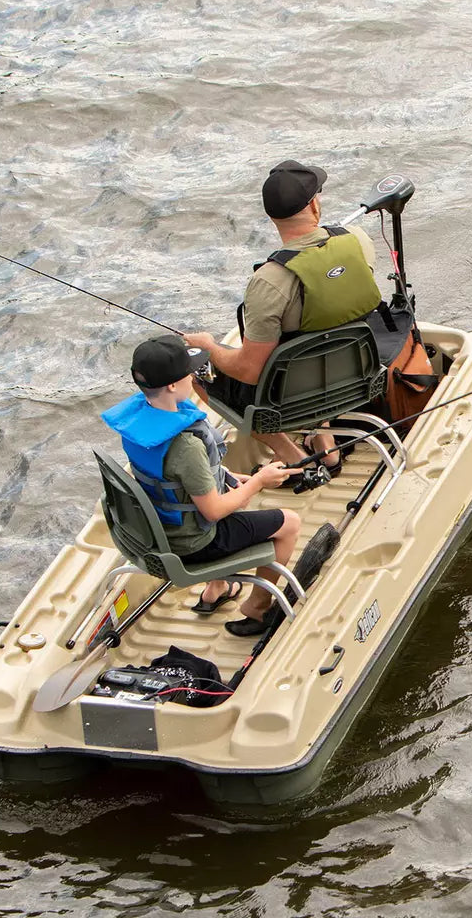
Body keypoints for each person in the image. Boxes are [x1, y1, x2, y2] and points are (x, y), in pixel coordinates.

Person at [185, 159, 383, 473]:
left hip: (291, 397)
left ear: (271, 217)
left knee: (200, 373)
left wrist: (208, 346)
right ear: (315, 205)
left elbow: (250, 371)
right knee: (325, 335)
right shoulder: (358, 241)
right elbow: (336, 305)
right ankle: (325, 443)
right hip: (356, 377)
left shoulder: (268, 281)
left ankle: (291, 455)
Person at [102, 334, 303, 637]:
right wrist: (259, 482)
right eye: (189, 372)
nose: (195, 376)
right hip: (194, 544)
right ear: (172, 385)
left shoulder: (137, 425)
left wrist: (228, 478)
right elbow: (213, 511)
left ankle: (218, 587)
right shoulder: (186, 446)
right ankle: (257, 608)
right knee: (290, 523)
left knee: (232, 502)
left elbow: (170, 475)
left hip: (156, 533)